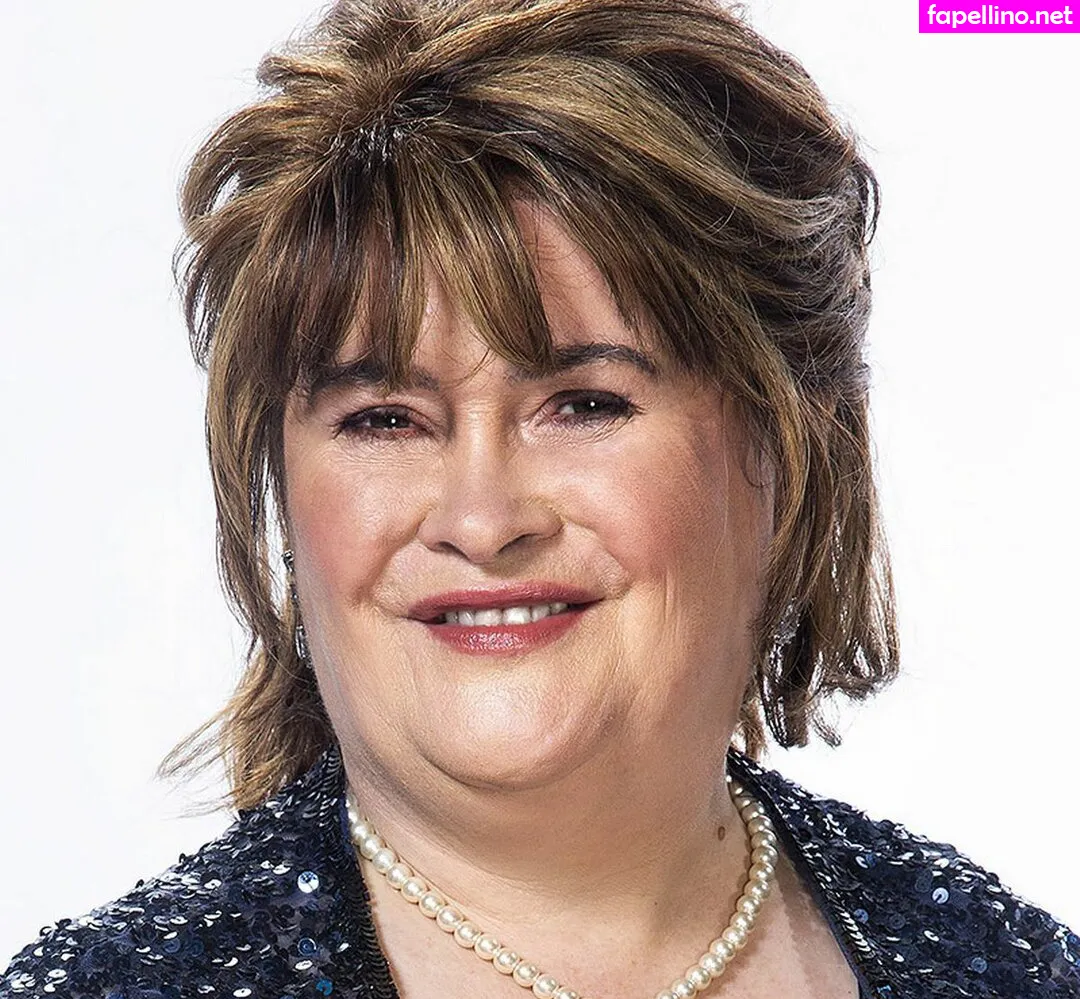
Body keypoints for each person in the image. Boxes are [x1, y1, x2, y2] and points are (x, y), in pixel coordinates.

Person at [3, 0, 1077, 997]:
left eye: (584, 405)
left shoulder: (1016, 973)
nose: (481, 520)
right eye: (385, 419)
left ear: (791, 443)